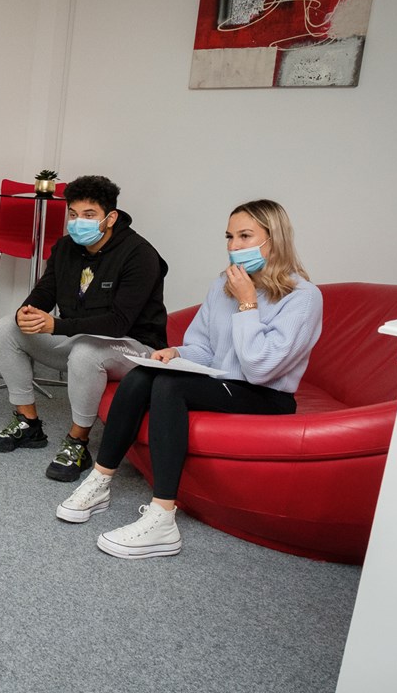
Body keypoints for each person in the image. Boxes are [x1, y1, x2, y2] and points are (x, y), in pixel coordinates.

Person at [57, 200, 322, 560]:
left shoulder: (303, 297)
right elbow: (204, 346)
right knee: (145, 374)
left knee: (170, 386)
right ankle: (101, 480)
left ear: (274, 239)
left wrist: (248, 305)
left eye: (246, 236)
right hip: (223, 382)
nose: (234, 246)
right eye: (230, 237)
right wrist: (177, 354)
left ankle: (163, 519)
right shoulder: (224, 285)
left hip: (265, 395)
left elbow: (261, 367)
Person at [0, 175, 169, 485]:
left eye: (88, 215)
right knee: (5, 328)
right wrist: (27, 311)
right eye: (73, 213)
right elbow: (47, 290)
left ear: (110, 218)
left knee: (86, 351)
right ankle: (28, 422)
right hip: (78, 337)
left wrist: (56, 324)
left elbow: (118, 322)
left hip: (134, 348)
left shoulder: (140, 255)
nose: (77, 221)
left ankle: (78, 443)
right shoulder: (66, 247)